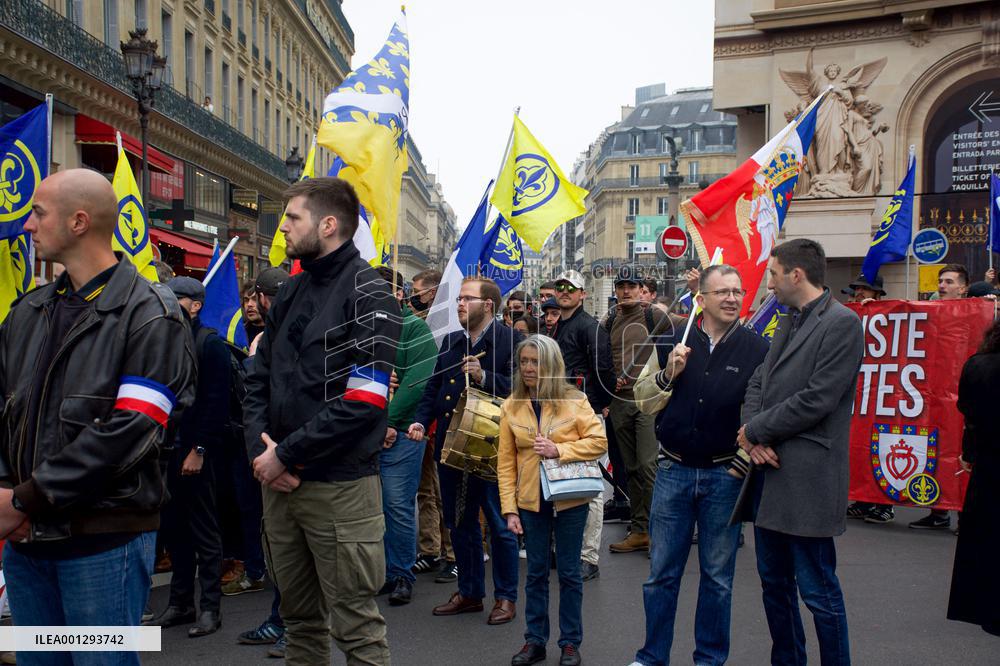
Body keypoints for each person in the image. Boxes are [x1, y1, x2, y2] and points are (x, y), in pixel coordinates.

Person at [0, 169, 195, 665]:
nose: (27, 225)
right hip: (26, 544)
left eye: (38, 212)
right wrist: (7, 496)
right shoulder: (28, 311)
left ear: (80, 221)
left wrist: (24, 500)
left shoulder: (153, 313)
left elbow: (131, 433)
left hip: (103, 541)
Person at [244, 177, 399, 665]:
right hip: (279, 484)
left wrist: (286, 455)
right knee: (299, 624)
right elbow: (256, 379)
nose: (283, 226)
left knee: (356, 629)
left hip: (339, 488)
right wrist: (263, 453)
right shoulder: (289, 291)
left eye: (293, 217)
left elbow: (364, 402)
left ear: (328, 225)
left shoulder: (372, 293)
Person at [733, 238, 864, 666]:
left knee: (818, 592)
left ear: (796, 274)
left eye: (772, 274)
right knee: (774, 586)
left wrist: (755, 429)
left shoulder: (842, 322)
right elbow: (758, 382)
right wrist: (752, 436)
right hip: (770, 477)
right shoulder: (789, 319)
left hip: (808, 480)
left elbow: (817, 399)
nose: (768, 283)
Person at [631, 264, 768, 666]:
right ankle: (651, 656)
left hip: (724, 475)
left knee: (718, 580)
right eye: (722, 291)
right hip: (672, 472)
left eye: (737, 292)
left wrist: (741, 465)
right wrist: (669, 374)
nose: (731, 298)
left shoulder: (758, 349)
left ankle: (709, 659)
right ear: (701, 300)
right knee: (661, 576)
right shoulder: (673, 340)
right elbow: (642, 400)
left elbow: (762, 412)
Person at [409, 276, 522, 626]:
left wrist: (486, 377)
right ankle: (470, 592)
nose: (459, 304)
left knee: (501, 526)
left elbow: (523, 388)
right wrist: (419, 420)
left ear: (488, 305)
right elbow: (433, 388)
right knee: (459, 522)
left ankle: (505, 597)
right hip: (453, 446)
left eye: (466, 299)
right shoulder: (452, 342)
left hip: (493, 450)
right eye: (458, 298)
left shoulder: (513, 340)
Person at [499, 335, 608, 666]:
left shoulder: (574, 401)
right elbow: (505, 463)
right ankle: (535, 641)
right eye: (525, 362)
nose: (529, 368)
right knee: (534, 574)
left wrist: (559, 449)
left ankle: (570, 644)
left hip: (570, 499)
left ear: (551, 365)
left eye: (536, 362)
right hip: (531, 502)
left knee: (570, 574)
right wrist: (509, 508)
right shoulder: (511, 405)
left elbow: (598, 441)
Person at [146, 277, 231, 637]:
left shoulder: (210, 344)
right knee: (175, 530)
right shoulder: (164, 340)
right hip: (167, 451)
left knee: (204, 532)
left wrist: (199, 450)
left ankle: (210, 608)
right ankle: (181, 602)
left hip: (197, 451)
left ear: (194, 305)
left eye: (174, 299)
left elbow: (216, 404)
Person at [236, 265, 290, 658]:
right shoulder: (265, 341)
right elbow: (253, 400)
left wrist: (285, 456)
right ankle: (281, 620)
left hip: (295, 460)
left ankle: (294, 627)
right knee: (279, 548)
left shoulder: (299, 335)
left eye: (257, 298)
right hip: (273, 457)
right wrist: (261, 454)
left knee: (297, 554)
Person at [375, 265, 437, 606]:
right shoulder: (362, 330)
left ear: (399, 294)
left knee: (397, 505)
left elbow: (417, 381)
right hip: (364, 435)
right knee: (373, 508)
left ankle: (401, 573)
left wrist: (389, 421)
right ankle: (383, 570)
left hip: (401, 436)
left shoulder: (414, 329)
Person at [552, 269, 615, 581]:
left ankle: (588, 555)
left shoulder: (590, 327)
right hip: (560, 414)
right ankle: (568, 550)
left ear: (582, 294)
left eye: (571, 288)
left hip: (585, 413)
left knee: (590, 487)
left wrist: (599, 406)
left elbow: (605, 371)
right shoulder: (557, 327)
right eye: (560, 287)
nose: (564, 292)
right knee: (563, 484)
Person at [606, 265, 669, 553]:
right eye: (622, 286)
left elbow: (681, 340)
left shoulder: (654, 315)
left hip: (647, 398)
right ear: (616, 290)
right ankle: (640, 529)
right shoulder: (609, 320)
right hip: (619, 401)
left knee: (647, 465)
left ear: (641, 289)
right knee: (630, 468)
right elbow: (603, 358)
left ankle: (660, 531)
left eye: (632, 286)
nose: (627, 291)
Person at [948, 318, 1000, 636]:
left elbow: (970, 416)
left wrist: (968, 453)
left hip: (989, 467)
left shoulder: (977, 366)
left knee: (989, 542)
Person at [910, 263, 968, 530]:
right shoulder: (930, 311)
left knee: (963, 454)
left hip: (964, 395)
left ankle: (965, 513)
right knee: (937, 450)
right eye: (940, 281)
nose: (942, 285)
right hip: (935, 395)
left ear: (963, 287)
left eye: (949, 281)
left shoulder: (978, 310)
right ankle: (940, 511)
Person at [841, 273, 894, 525]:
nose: (859, 292)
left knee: (882, 449)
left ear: (878, 294)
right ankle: (862, 500)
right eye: (857, 288)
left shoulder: (891, 315)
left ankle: (884, 503)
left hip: (883, 393)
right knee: (857, 447)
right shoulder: (850, 314)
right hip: (857, 392)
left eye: (865, 289)